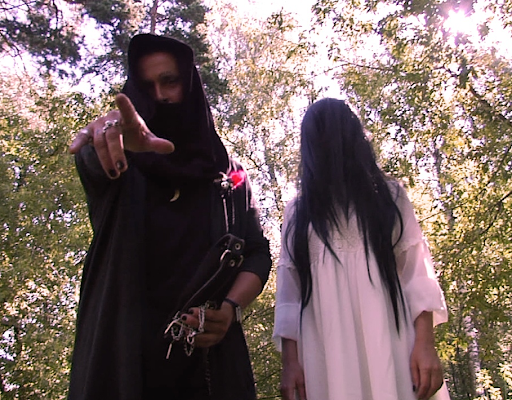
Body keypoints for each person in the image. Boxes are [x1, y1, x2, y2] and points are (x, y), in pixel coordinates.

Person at [68, 33, 272, 400]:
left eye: (170, 81)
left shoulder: (229, 176)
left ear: (189, 84)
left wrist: (229, 310)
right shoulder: (121, 164)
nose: (160, 95)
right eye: (147, 86)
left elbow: (257, 252)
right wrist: (108, 134)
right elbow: (94, 162)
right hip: (124, 362)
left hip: (209, 368)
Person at [273, 98, 451, 400]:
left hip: (391, 343)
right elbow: (290, 293)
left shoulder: (389, 197)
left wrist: (425, 345)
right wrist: (290, 364)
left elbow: (416, 273)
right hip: (325, 355)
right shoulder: (299, 213)